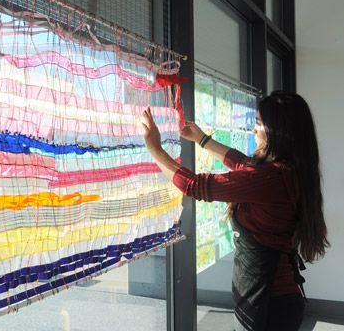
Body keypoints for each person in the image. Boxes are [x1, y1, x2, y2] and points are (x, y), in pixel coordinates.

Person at [141, 91, 330, 331]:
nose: (254, 130)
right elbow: (242, 163)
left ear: (278, 131)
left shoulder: (270, 177)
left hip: (268, 305)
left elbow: (194, 186)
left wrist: (154, 148)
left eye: (259, 124)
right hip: (278, 299)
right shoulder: (289, 169)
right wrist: (202, 139)